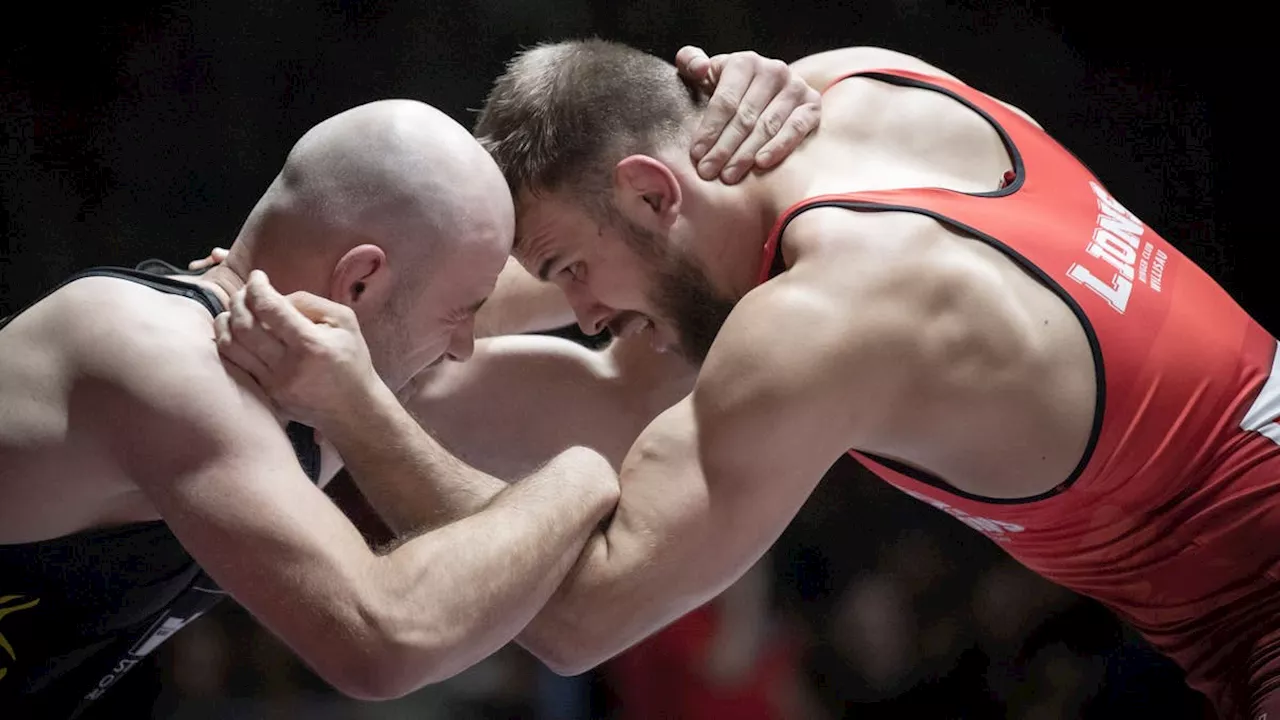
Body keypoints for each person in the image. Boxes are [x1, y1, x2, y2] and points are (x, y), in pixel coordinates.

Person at [216, 40, 1264, 720]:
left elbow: (578, 623)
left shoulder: (815, 324)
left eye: (571, 270)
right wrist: (263, 292)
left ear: (648, 190)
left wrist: (347, 401)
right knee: (616, 367)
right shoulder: (862, 82)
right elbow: (500, 330)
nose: (578, 311)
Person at [0, 58, 817, 718]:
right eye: (464, 312)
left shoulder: (302, 371)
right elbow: (384, 641)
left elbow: (637, 374)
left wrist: (738, 153)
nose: (469, 342)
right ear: (360, 283)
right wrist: (578, 479)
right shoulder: (152, 357)